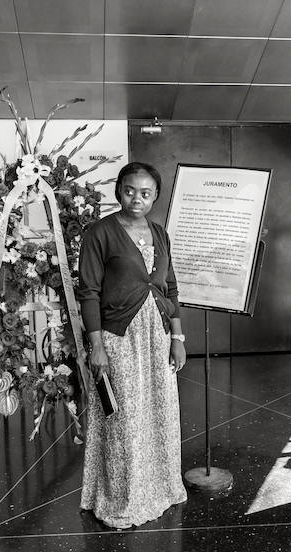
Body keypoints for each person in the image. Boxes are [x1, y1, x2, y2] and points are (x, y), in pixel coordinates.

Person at [77, 161, 188, 529]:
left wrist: (177, 337)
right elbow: (89, 292)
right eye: (129, 190)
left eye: (145, 193)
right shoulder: (100, 233)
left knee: (158, 414)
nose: (136, 199)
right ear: (118, 191)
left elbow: (169, 289)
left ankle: (160, 490)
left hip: (157, 335)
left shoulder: (160, 233)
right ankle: (121, 499)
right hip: (118, 336)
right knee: (122, 420)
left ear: (155, 196)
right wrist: (96, 346)